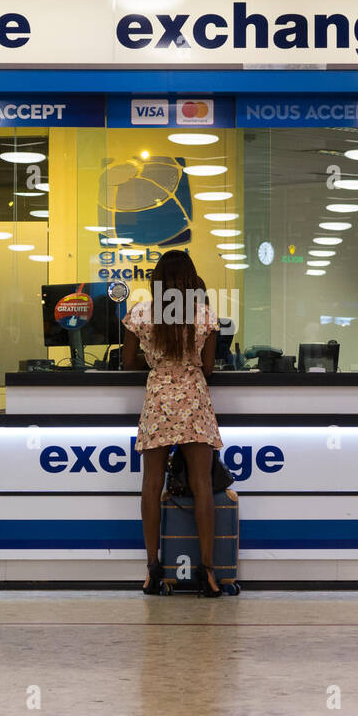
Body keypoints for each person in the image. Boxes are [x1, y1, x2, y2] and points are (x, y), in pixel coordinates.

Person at [121, 250, 223, 596]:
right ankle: (207, 573)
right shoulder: (205, 314)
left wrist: (157, 361)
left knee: (151, 485)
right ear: (191, 278)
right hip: (194, 399)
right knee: (202, 486)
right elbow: (208, 368)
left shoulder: (140, 313)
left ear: (158, 279)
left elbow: (127, 362)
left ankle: (152, 569)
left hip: (159, 399)